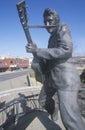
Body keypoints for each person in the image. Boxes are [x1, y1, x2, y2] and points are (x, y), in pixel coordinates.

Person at [26, 8, 85, 130]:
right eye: (45, 21)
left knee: (70, 119)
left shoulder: (62, 27)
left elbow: (66, 50)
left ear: (56, 20)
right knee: (43, 100)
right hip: (52, 78)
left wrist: (38, 51)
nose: (47, 25)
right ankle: (55, 108)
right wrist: (36, 53)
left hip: (65, 79)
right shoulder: (51, 38)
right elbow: (50, 58)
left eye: (50, 21)